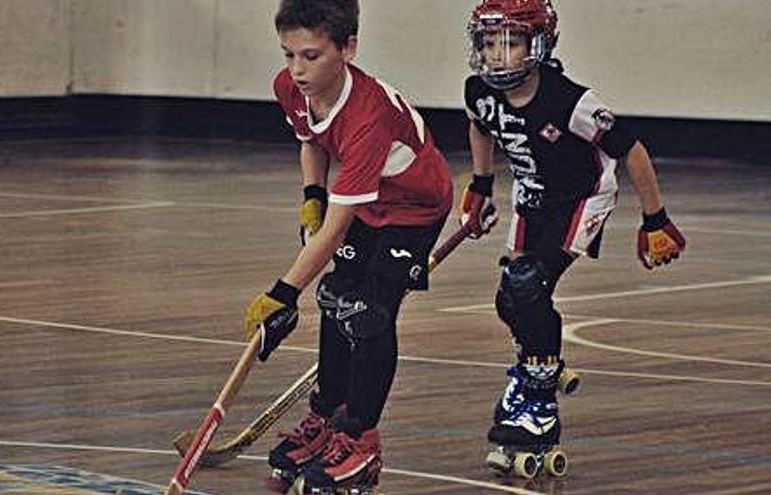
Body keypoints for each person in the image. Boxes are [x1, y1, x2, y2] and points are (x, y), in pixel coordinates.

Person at [459, 0, 687, 469]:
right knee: (511, 299)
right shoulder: (478, 91)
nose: (497, 55)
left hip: (582, 197)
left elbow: (632, 148)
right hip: (532, 197)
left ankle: (540, 404)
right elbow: (480, 126)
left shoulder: (571, 102)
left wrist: (655, 219)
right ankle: (536, 373)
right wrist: (481, 186)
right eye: (488, 43)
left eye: (511, 42)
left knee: (526, 285)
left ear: (538, 44)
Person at [244, 0, 454, 492]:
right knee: (335, 297)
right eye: (288, 54)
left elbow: (335, 230)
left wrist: (282, 292)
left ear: (349, 48)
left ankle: (360, 438)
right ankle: (326, 417)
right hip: (368, 202)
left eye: (311, 56)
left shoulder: (368, 115)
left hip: (415, 208)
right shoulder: (290, 87)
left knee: (367, 312)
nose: (296, 70)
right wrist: (311, 197)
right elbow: (311, 139)